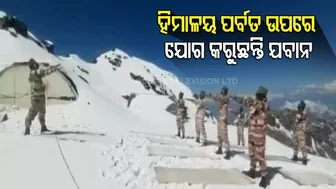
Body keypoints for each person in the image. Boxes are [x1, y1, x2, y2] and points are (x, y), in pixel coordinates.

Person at [234, 86, 269, 188]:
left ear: (261, 96)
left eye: (257, 95)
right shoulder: (257, 104)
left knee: (260, 156)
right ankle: (252, 170)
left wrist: (236, 98)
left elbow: (249, 102)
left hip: (259, 135)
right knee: (252, 153)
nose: (256, 96)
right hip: (252, 133)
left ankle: (264, 177)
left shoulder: (262, 104)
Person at [24, 58, 62, 135]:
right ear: (33, 65)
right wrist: (53, 69)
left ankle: (43, 127)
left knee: (42, 113)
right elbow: (44, 72)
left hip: (40, 97)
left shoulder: (33, 74)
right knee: (32, 113)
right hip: (37, 97)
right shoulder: (34, 73)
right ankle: (27, 129)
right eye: (35, 64)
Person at [208, 86, 231, 159]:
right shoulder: (222, 99)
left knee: (224, 136)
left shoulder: (226, 98)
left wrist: (215, 95)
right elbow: (218, 99)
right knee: (219, 135)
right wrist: (213, 97)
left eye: (222, 91)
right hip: (220, 119)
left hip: (223, 120)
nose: (221, 92)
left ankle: (228, 152)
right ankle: (220, 149)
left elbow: (221, 98)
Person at [291, 100, 308, 165]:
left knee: (301, 144)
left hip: (301, 131)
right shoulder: (301, 113)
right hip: (297, 130)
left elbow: (297, 119)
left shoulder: (302, 113)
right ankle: (295, 156)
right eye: (299, 108)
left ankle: (304, 158)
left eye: (300, 107)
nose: (299, 109)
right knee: (295, 144)